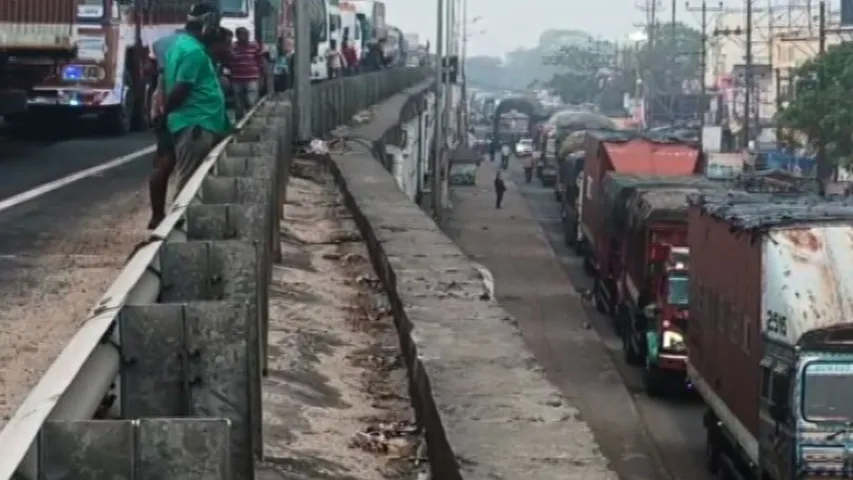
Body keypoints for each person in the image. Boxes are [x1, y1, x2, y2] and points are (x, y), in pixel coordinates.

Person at [147, 2, 221, 229]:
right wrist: (165, 112)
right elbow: (181, 88)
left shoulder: (179, 45)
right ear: (208, 24)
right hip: (195, 123)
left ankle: (172, 225)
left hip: (192, 121)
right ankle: (176, 230)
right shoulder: (193, 52)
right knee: (188, 183)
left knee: (183, 176)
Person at [227, 26, 263, 120]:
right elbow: (228, 62)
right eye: (243, 35)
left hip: (251, 78)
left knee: (252, 102)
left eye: (247, 35)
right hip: (237, 79)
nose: (245, 37)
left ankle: (252, 121)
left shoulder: (254, 46)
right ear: (237, 36)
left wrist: (262, 78)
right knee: (239, 105)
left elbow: (260, 62)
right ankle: (239, 123)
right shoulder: (233, 47)